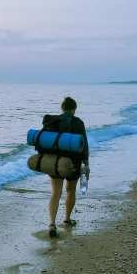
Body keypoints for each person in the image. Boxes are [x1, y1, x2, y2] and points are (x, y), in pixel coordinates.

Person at [48, 96, 89, 238]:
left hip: (55, 163)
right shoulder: (78, 123)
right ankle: (66, 220)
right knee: (70, 190)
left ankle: (52, 224)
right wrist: (86, 164)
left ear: (62, 108)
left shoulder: (54, 121)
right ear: (74, 109)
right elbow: (84, 145)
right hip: (73, 162)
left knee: (55, 193)